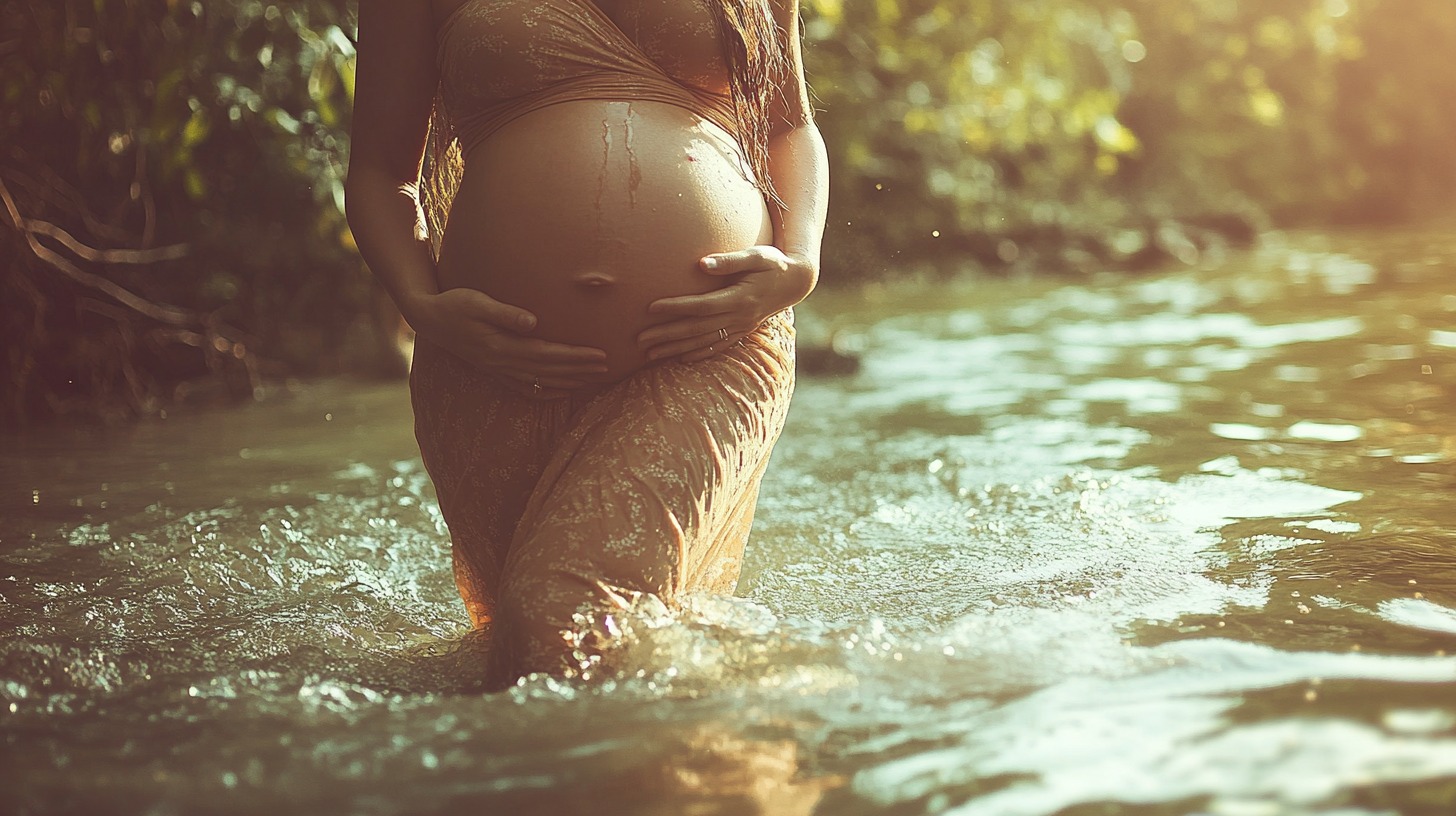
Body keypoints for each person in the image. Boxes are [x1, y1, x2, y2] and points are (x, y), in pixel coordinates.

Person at [345, 0, 828, 689]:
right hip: (489, 368)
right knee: (524, 661)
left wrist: (801, 261)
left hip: (712, 349)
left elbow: (791, 126)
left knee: (557, 617)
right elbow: (379, 174)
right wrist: (421, 304)